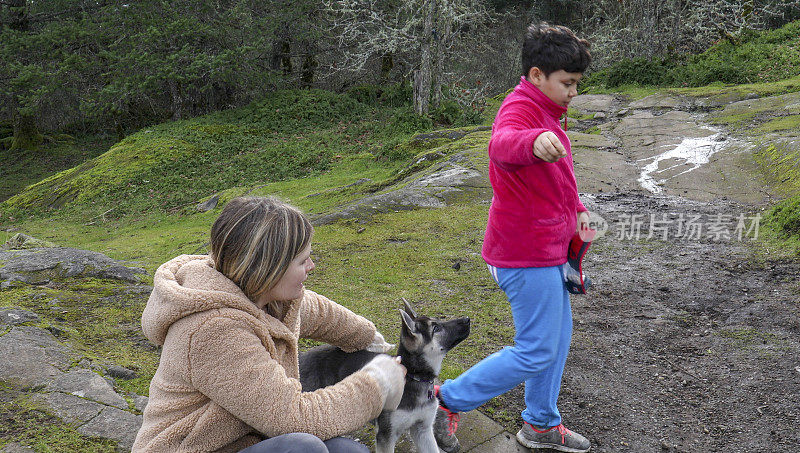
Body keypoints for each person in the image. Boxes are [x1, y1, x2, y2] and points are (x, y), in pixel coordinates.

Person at [132, 196, 406, 453]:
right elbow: (295, 419)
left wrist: (367, 338)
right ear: (268, 267)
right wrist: (377, 384)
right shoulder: (213, 330)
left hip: (247, 439)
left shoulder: (267, 298)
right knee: (303, 448)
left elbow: (319, 313)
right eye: (302, 260)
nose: (311, 266)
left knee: (350, 451)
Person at [434, 22, 592, 453]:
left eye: (577, 84)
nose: (574, 92)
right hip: (523, 254)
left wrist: (577, 216)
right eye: (568, 83)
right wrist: (533, 141)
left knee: (555, 343)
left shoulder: (549, 111)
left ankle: (540, 424)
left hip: (548, 250)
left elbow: (559, 182)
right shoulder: (521, 109)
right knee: (537, 349)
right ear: (537, 75)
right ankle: (445, 400)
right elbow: (502, 144)